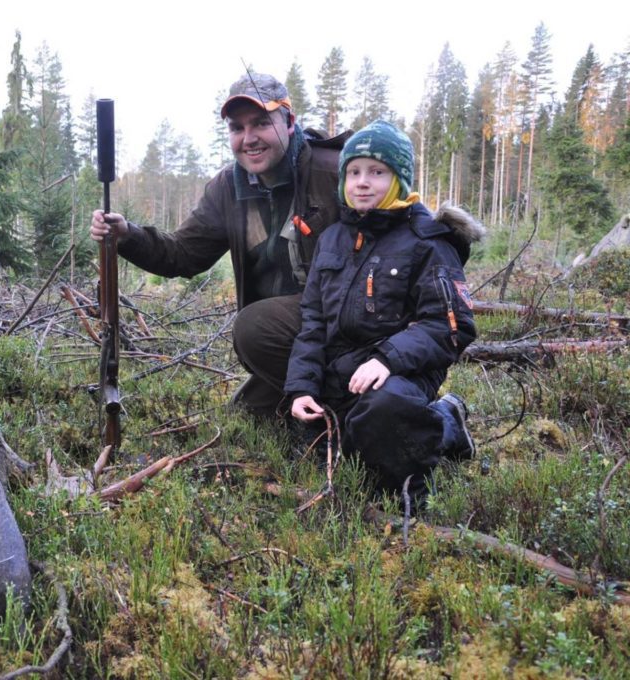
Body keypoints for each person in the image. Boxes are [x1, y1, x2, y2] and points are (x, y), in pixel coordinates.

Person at [90, 73, 345, 419]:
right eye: (237, 128)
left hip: (345, 326)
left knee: (254, 327)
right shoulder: (229, 187)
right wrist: (128, 235)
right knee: (245, 417)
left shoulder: (335, 173)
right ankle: (322, 404)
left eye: (260, 123)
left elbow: (404, 221)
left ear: (289, 123)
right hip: (296, 343)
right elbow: (182, 254)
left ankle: (350, 410)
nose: (249, 138)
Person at [283, 120, 484, 499]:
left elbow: (450, 326)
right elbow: (313, 322)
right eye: (354, 172)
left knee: (382, 413)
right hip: (342, 370)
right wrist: (301, 388)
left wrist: (387, 360)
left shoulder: (427, 241)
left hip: (402, 374)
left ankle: (413, 489)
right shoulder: (330, 240)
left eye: (377, 172)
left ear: (399, 179)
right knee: (326, 434)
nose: (362, 182)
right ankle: (444, 422)